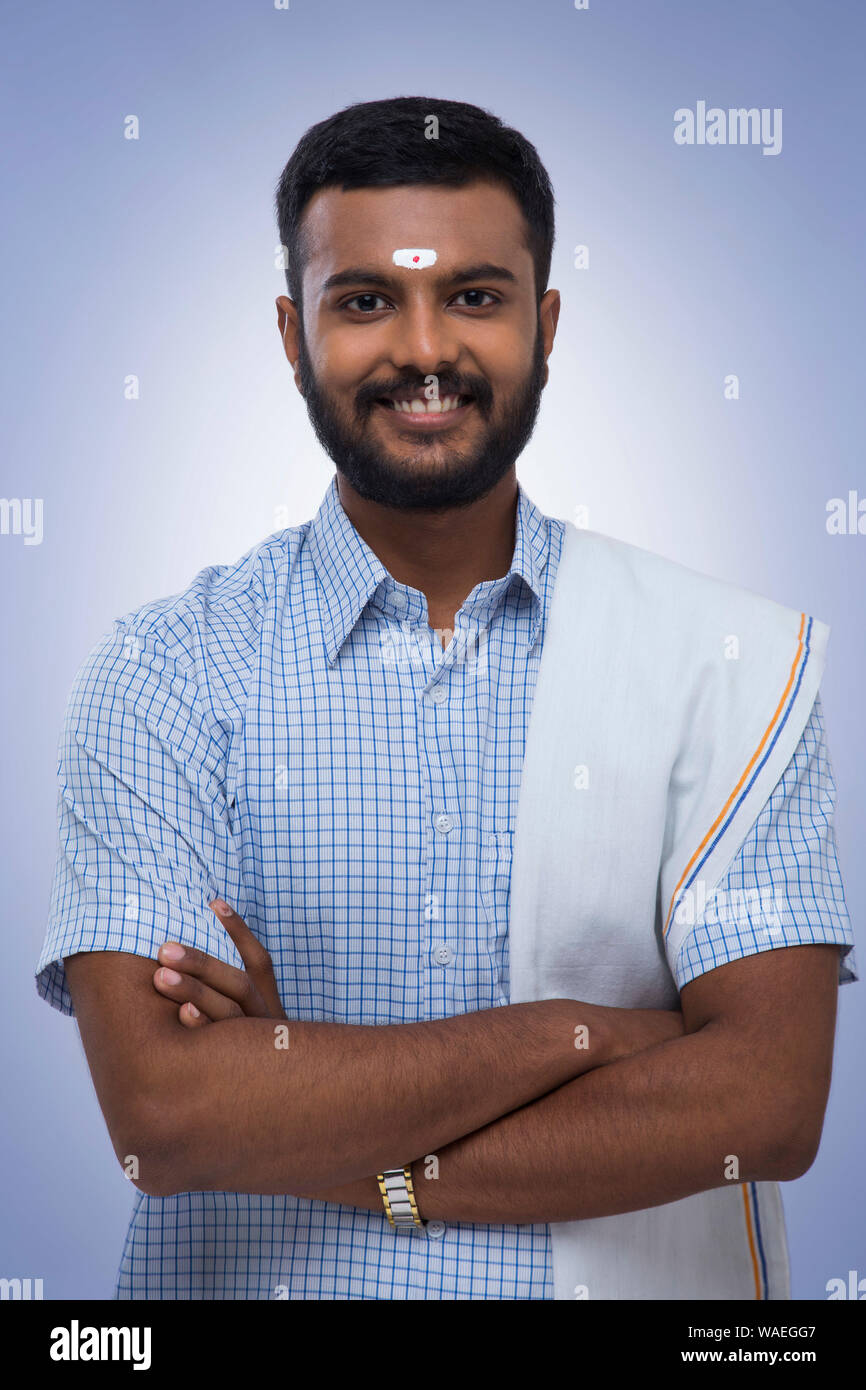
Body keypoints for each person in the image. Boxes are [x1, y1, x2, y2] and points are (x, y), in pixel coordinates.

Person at [36, 95, 857, 1300]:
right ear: (290, 332)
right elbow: (164, 1118)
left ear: (546, 321)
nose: (424, 349)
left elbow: (767, 1104)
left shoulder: (723, 663)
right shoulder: (165, 670)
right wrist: (588, 1035)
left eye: (472, 294)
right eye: (364, 300)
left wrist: (297, 1099)